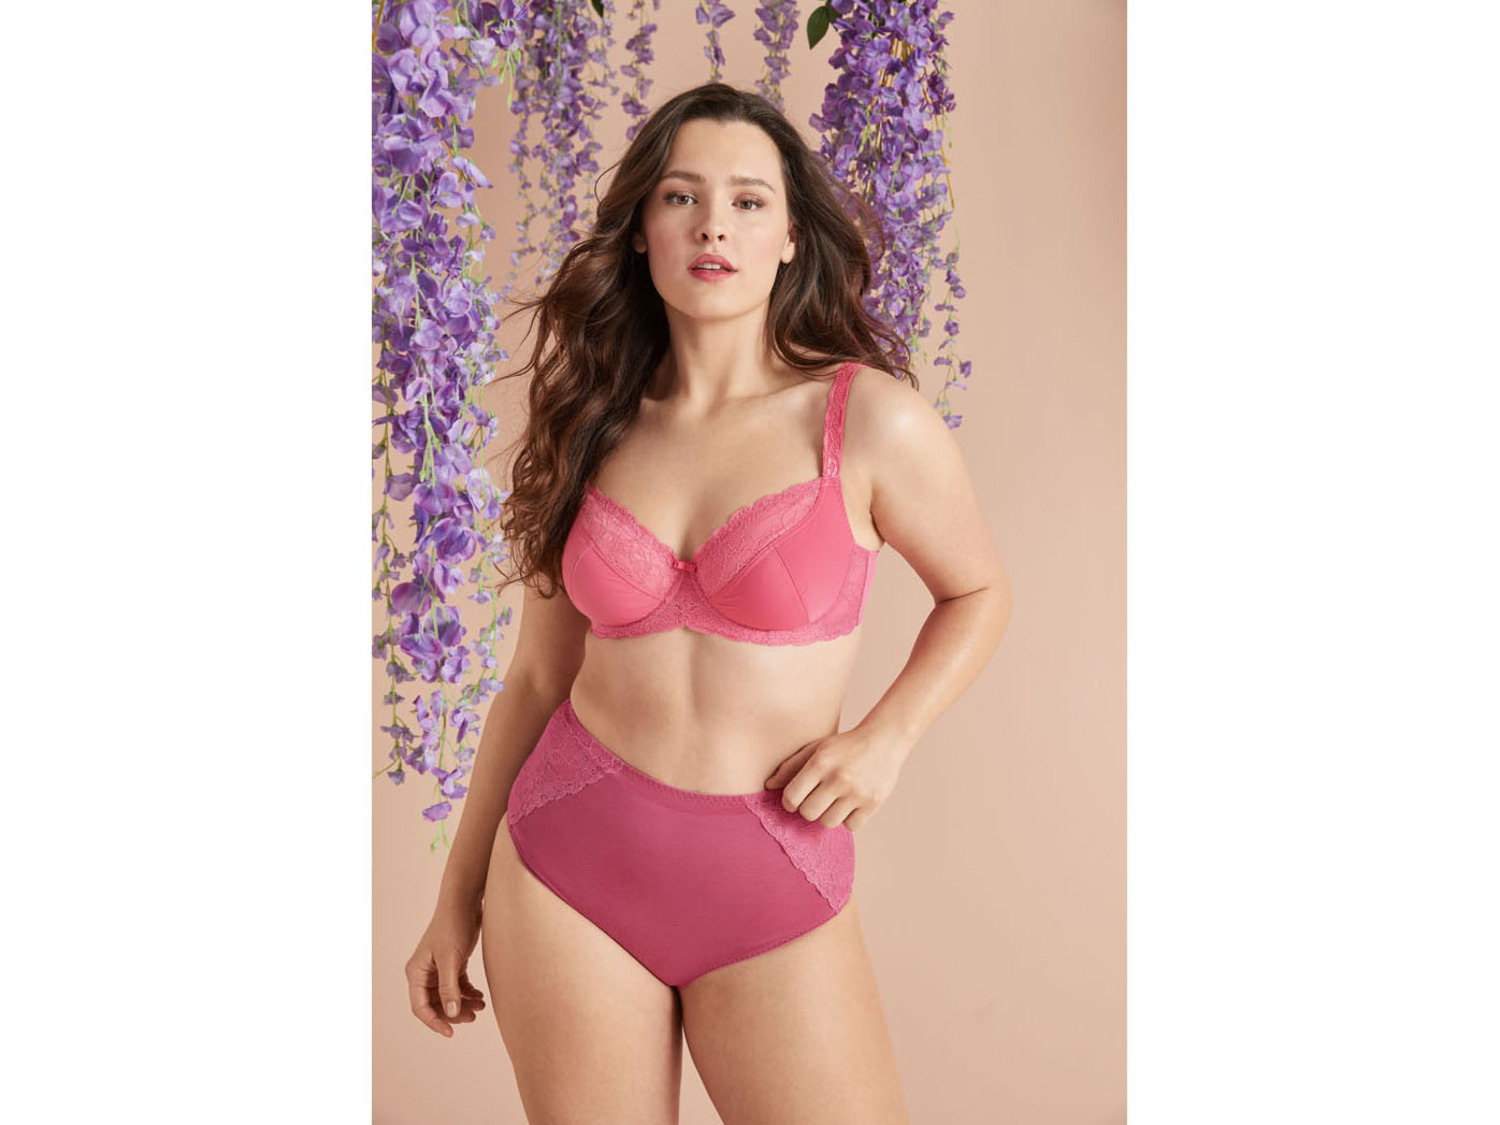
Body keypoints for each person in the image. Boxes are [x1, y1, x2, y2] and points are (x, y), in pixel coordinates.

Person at [403, 81, 1011, 1123]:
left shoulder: (866, 421)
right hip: (564, 870)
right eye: (681, 197)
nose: (713, 226)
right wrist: (454, 900)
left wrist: (886, 739)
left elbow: (979, 590)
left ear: (790, 237)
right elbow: (537, 679)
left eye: (747, 201)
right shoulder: (588, 424)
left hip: (772, 875)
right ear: (642, 228)